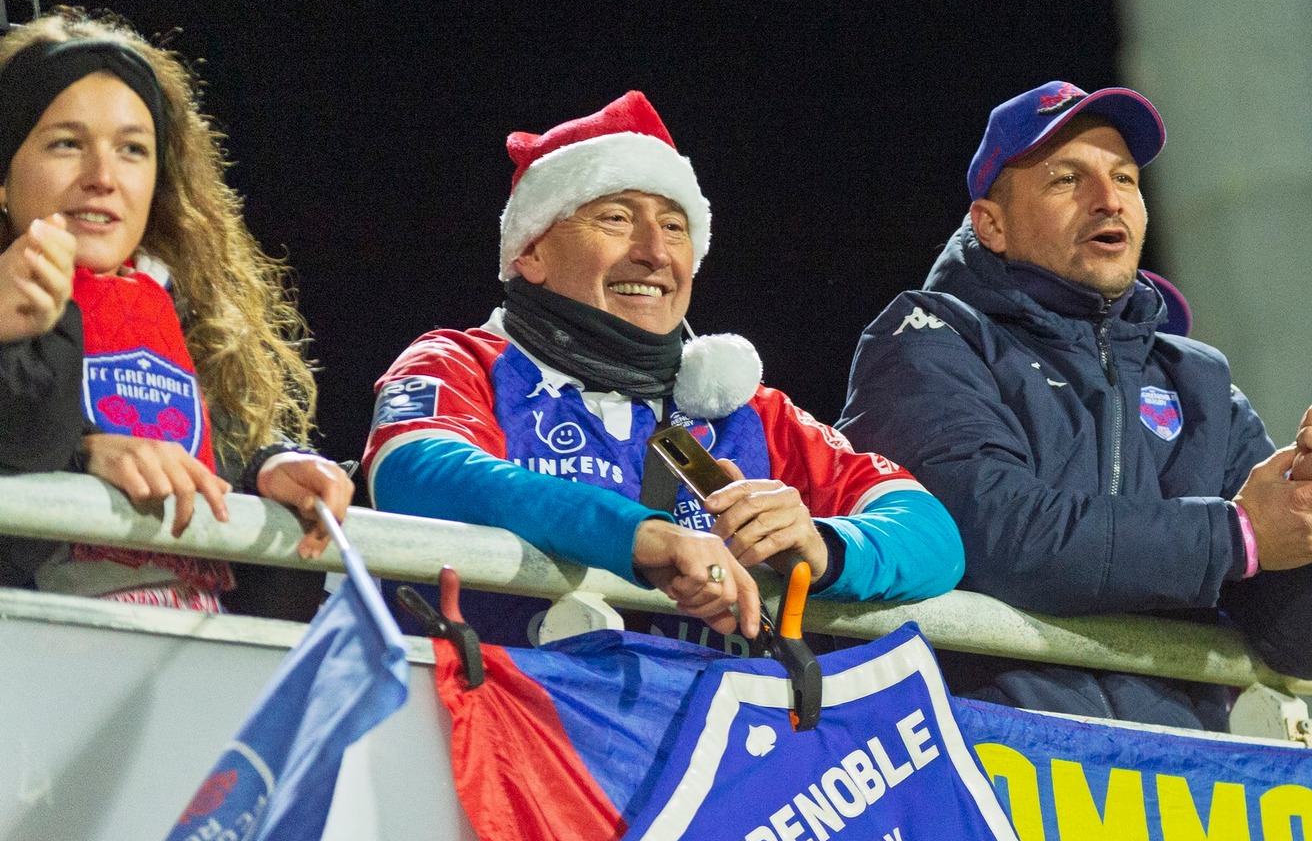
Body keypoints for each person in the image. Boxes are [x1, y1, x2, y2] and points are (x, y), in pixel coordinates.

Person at [838, 80, 1312, 732]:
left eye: (1126, 179)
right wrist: (1237, 534)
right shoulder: (928, 338)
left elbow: (1309, 648)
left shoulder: (1200, 384)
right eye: (1066, 179)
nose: (1108, 198)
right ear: (991, 224)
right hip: (983, 765)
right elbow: (996, 535)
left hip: (1167, 783)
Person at [362, 90, 963, 647]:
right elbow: (415, 473)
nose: (654, 253)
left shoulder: (746, 411)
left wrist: (823, 544)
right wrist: (639, 536)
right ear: (530, 252)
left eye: (674, 227)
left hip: (703, 723)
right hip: (485, 712)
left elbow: (932, 533)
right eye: (616, 219)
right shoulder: (459, 363)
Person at [0, 11, 354, 610]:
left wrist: (269, 467)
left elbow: (221, 446)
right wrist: (84, 456)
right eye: (67, 143)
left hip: (194, 649)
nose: (103, 177)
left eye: (132, 150)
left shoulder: (181, 312)